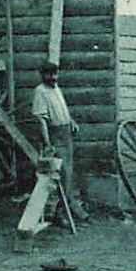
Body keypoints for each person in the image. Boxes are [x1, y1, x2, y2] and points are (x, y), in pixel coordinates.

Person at [32, 62, 85, 220]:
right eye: (50, 74)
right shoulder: (40, 92)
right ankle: (59, 213)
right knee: (60, 175)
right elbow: (41, 120)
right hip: (55, 135)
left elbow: (62, 110)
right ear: (42, 75)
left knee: (69, 173)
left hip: (66, 133)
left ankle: (66, 209)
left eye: (55, 74)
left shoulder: (56, 89)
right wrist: (48, 143)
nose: (53, 77)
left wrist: (72, 122)